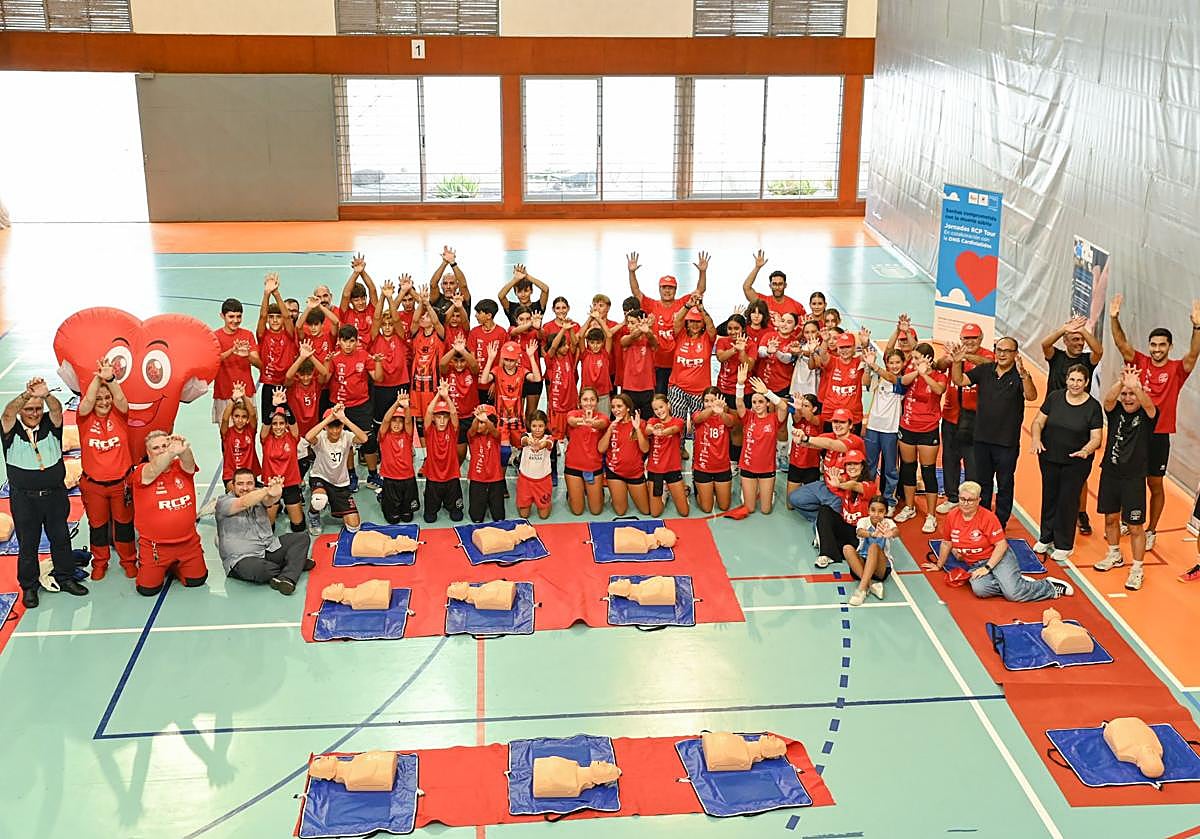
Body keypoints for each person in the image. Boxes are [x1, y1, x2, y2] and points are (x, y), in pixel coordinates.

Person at [1110, 294, 1200, 551]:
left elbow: (1194, 353)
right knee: (1130, 480)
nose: (1157, 349)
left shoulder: (1176, 370)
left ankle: (1151, 530)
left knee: (1155, 484)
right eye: (1153, 344)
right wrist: (1114, 318)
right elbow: (1121, 343)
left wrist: (1197, 326)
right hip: (1134, 434)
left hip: (1159, 435)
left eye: (1162, 345)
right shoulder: (1140, 362)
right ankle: (1131, 520)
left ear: (1170, 347)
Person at [1, 379, 87, 606]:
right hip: (24, 500)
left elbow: (57, 409)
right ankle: (29, 587)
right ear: (21, 411)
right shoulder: (10, 430)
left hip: (55, 496)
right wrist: (26, 394)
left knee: (61, 538)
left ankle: (65, 577)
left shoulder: (51, 423)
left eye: (38, 409)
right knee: (27, 544)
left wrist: (46, 394)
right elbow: (8, 413)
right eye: (29, 409)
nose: (34, 413)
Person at [923, 481, 1073, 602]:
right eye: (962, 499)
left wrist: (987, 568)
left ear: (978, 501)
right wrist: (938, 565)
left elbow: (1001, 545)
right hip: (975, 563)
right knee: (980, 590)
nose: (966, 503)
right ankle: (1013, 582)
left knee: (1013, 595)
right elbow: (946, 542)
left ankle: (1049, 587)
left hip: (998, 558)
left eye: (970, 500)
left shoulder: (987, 517)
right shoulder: (952, 516)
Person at [950, 336, 1036, 528]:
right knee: (983, 483)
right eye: (999, 349)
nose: (1002, 354)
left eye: (1007, 351)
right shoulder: (985, 370)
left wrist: (1025, 376)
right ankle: (984, 518)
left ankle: (1000, 522)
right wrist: (957, 362)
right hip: (982, 439)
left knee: (1005, 484)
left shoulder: (1019, 375)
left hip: (1007, 443)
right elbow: (959, 380)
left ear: (1015, 354)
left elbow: (1031, 396)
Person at [1092, 366, 1158, 591]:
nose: (1128, 398)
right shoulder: (1115, 411)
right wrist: (1122, 384)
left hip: (1134, 478)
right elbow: (1108, 401)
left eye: (1132, 395)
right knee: (1111, 519)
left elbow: (1149, 406)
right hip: (1111, 473)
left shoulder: (1147, 416)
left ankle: (1137, 569)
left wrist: (1135, 385)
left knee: (1135, 526)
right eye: (1125, 395)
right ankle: (1114, 554)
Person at [1030, 364, 1103, 561]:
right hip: (1049, 457)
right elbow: (1038, 422)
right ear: (1067, 380)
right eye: (1072, 379)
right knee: (1050, 496)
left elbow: (1096, 437)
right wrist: (1036, 439)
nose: (1075, 384)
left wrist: (1086, 450)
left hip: (1076, 462)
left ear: (1086, 382)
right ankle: (1046, 537)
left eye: (1080, 380)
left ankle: (1064, 544)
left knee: (1068, 501)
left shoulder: (1093, 407)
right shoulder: (1055, 397)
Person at [76, 358, 136, 580]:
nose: (103, 401)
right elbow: (89, 398)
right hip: (93, 486)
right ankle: (100, 562)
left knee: (124, 525)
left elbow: (120, 398)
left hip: (121, 484)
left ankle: (128, 561)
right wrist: (97, 377)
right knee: (97, 527)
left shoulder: (120, 416)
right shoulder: (84, 419)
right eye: (99, 398)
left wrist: (109, 379)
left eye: (106, 397)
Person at [132, 431, 205, 597]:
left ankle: (176, 566)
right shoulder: (142, 472)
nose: (161, 450)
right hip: (156, 547)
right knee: (147, 590)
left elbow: (189, 463)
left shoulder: (180, 467)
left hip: (188, 543)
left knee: (197, 581)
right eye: (156, 448)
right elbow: (153, 471)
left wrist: (183, 448)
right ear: (148, 453)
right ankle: (165, 566)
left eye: (165, 445)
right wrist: (170, 452)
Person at [216, 472, 312, 595]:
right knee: (265, 570)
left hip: (268, 549)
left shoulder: (259, 495)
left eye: (249, 483)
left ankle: (286, 578)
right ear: (232, 485)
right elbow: (244, 502)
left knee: (302, 538)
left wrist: (276, 492)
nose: (245, 488)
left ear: (254, 484)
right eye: (240, 484)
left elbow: (270, 500)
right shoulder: (223, 502)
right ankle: (295, 563)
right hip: (241, 559)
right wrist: (267, 489)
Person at [628, 250, 708, 396]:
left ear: (675, 290)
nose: (667, 291)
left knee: (674, 401)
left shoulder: (682, 303)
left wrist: (703, 272)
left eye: (670, 288)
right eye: (664, 287)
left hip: (678, 363)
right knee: (658, 399)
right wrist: (632, 272)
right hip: (657, 363)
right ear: (659, 289)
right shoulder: (652, 305)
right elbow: (636, 292)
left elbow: (700, 290)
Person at [936, 323, 993, 515]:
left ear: (981, 338)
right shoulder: (956, 353)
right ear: (960, 338)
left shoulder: (987, 355)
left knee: (973, 462)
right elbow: (939, 366)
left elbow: (989, 365)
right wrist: (950, 357)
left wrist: (964, 357)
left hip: (975, 419)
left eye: (973, 338)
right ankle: (952, 497)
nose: (969, 341)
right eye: (966, 338)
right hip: (951, 415)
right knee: (950, 458)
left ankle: (971, 499)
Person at [893, 343, 948, 533]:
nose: (914, 361)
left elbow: (939, 390)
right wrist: (917, 371)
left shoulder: (939, 375)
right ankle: (909, 507)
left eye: (918, 358)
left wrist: (925, 374)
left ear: (929, 360)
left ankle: (931, 515)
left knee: (928, 471)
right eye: (914, 358)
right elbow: (902, 382)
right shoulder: (911, 370)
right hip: (907, 427)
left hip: (928, 430)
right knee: (908, 469)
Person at [303, 404, 369, 535]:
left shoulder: (346, 436)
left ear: (342, 426)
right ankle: (313, 514)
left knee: (354, 527)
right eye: (331, 427)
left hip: (340, 482)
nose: (335, 431)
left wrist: (344, 419)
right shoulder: (320, 437)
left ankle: (330, 500)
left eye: (337, 426)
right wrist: (329, 418)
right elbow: (308, 437)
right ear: (326, 427)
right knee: (319, 500)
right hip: (320, 477)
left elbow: (364, 438)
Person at [735, 369, 789, 515]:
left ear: (767, 404)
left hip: (767, 469)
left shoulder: (774, 419)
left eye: (761, 402)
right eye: (754, 402)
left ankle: (768, 493)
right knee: (750, 509)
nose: (757, 405)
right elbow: (739, 403)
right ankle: (746, 490)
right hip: (748, 467)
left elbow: (784, 407)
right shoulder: (748, 417)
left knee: (766, 511)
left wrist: (767, 392)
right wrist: (740, 384)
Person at [814, 450, 876, 570]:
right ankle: (827, 554)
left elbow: (854, 485)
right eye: (848, 464)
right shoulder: (844, 480)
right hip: (846, 528)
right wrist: (836, 480)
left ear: (862, 466)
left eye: (855, 464)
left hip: (859, 535)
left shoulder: (870, 486)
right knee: (825, 510)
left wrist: (840, 484)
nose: (852, 467)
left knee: (825, 532)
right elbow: (839, 482)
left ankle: (828, 544)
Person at [861, 347, 903, 512]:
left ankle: (889, 501)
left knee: (890, 468)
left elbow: (892, 378)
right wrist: (867, 366)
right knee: (869, 465)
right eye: (891, 362)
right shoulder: (879, 376)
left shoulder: (902, 380)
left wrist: (876, 366)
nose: (894, 365)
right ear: (886, 363)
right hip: (873, 428)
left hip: (890, 430)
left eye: (897, 362)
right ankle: (868, 497)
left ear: (903, 363)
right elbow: (865, 382)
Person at [259, 390, 305, 531]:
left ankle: (285, 507)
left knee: (298, 526)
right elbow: (266, 421)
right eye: (275, 424)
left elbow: (293, 421)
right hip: (272, 486)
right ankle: (276, 507)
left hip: (290, 484)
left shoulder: (292, 437)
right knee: (268, 528)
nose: (278, 427)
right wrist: (273, 406)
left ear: (285, 425)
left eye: (281, 423)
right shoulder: (265, 439)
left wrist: (284, 404)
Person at [255, 272, 298, 423]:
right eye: (271, 317)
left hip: (286, 385)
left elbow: (287, 317)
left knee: (288, 423)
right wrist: (266, 294)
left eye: (277, 317)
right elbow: (262, 316)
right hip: (269, 384)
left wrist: (276, 293)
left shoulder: (289, 334)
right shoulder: (263, 335)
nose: (274, 320)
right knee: (268, 423)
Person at [212, 297, 261, 426]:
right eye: (231, 316)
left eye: (238, 317)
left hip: (247, 392)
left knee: (250, 431)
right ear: (222, 316)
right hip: (224, 393)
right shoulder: (215, 337)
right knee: (226, 435)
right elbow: (213, 360)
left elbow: (259, 363)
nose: (235, 320)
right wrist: (231, 351)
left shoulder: (248, 335)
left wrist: (247, 356)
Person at [600, 393, 650, 516]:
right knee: (621, 512)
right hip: (615, 472)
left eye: (619, 406)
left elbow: (645, 449)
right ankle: (615, 496)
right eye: (613, 407)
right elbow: (601, 449)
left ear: (628, 408)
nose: (615, 410)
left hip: (635, 473)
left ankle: (664, 492)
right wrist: (609, 430)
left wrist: (637, 429)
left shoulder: (640, 423)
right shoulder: (610, 424)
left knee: (646, 511)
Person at [420, 384, 464, 523]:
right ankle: (432, 500)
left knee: (457, 517)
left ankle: (450, 504)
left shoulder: (452, 430)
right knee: (429, 519)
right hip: (433, 478)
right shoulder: (429, 431)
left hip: (451, 477)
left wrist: (446, 397)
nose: (442, 420)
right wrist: (438, 395)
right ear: (434, 418)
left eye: (445, 417)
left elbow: (454, 413)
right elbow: (427, 413)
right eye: (438, 417)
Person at [564, 387, 609, 516]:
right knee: (577, 511)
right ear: (579, 402)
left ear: (597, 402)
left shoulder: (602, 417)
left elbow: (602, 424)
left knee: (596, 511)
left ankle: (598, 492)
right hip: (573, 466)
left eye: (592, 399)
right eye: (585, 400)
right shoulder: (573, 414)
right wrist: (584, 421)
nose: (589, 403)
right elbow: (571, 421)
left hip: (593, 467)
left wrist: (592, 423)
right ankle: (572, 494)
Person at [692, 387, 736, 513]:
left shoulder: (726, 417)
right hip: (702, 467)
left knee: (724, 506)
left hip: (722, 467)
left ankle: (714, 490)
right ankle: (697, 490)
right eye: (706, 401)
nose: (709, 403)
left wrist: (721, 412)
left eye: (713, 400)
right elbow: (698, 419)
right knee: (707, 508)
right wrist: (712, 408)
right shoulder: (698, 415)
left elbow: (729, 423)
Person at [377, 390, 419, 524]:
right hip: (390, 479)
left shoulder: (407, 436)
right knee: (393, 520)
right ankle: (383, 497)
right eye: (394, 421)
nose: (396, 424)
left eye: (399, 421)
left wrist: (406, 407)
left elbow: (408, 421)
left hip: (407, 479)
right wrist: (396, 404)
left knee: (407, 517)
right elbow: (385, 420)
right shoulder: (384, 435)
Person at [847, 496, 896, 606]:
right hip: (862, 565)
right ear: (868, 510)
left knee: (873, 547)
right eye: (873, 510)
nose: (876, 514)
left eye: (881, 511)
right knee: (847, 548)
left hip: (881, 568)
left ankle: (861, 590)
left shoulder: (888, 523)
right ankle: (871, 584)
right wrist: (872, 534)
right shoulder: (863, 521)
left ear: (886, 512)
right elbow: (860, 532)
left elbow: (896, 531)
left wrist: (891, 533)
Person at [646, 394, 689, 517]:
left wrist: (662, 432)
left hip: (672, 469)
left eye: (661, 407)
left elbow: (673, 429)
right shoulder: (652, 421)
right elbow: (648, 429)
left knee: (684, 512)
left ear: (668, 405)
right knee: (655, 513)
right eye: (656, 409)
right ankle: (664, 492)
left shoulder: (678, 421)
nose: (659, 411)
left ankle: (680, 490)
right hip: (655, 470)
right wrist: (653, 429)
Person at [741, 249, 806, 320]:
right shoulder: (762, 302)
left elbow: (805, 326)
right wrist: (757, 267)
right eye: (774, 284)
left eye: (780, 284)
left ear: (785, 285)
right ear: (770, 286)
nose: (777, 287)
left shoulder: (797, 306)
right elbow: (746, 288)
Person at [618, 306, 657, 420]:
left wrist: (647, 330)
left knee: (647, 420)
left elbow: (654, 342)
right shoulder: (626, 338)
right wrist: (643, 328)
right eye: (628, 322)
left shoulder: (649, 338)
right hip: (629, 387)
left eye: (632, 322)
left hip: (647, 387)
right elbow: (628, 339)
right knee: (629, 420)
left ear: (640, 322)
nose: (628, 326)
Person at [219, 382, 259, 491]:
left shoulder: (250, 431)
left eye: (243, 417)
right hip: (231, 476)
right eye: (236, 416)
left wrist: (244, 396)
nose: (240, 420)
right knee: (237, 496)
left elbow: (253, 415)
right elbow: (225, 419)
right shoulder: (227, 432)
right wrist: (233, 399)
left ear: (247, 419)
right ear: (232, 417)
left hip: (249, 475)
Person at [516, 410, 554, 519]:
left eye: (541, 426)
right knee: (524, 515)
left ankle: (544, 502)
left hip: (543, 481)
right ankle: (529, 499)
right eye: (534, 426)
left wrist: (540, 445)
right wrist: (530, 442)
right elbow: (523, 440)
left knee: (544, 516)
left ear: (546, 426)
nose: (537, 429)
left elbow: (547, 444)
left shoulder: (549, 438)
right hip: (525, 481)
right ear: (529, 425)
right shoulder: (526, 436)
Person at [427, 245, 472, 324]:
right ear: (441, 286)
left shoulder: (462, 299)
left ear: (457, 286)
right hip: (441, 335)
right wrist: (444, 262)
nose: (448, 287)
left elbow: (464, 285)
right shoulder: (436, 298)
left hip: (460, 335)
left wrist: (452, 263)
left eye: (451, 283)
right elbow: (433, 284)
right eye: (445, 283)